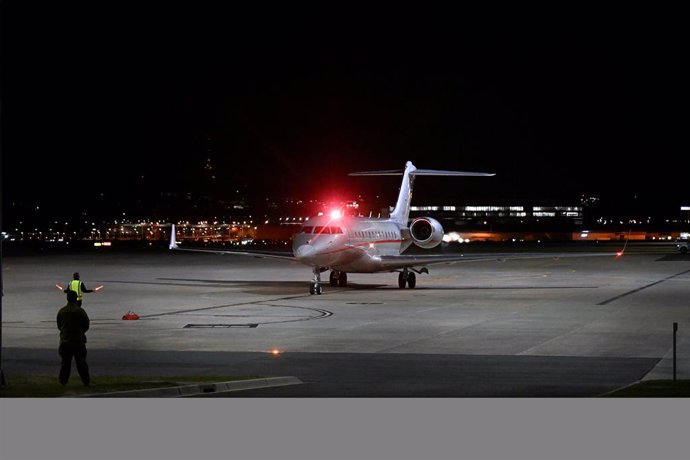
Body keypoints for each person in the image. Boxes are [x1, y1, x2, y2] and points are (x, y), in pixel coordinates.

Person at [57, 290, 91, 386]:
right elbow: (86, 325)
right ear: (76, 298)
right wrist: (80, 332)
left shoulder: (62, 311)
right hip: (78, 341)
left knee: (65, 364)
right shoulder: (80, 311)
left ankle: (63, 382)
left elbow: (59, 326)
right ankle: (86, 381)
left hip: (65, 341)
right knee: (81, 363)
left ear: (67, 298)